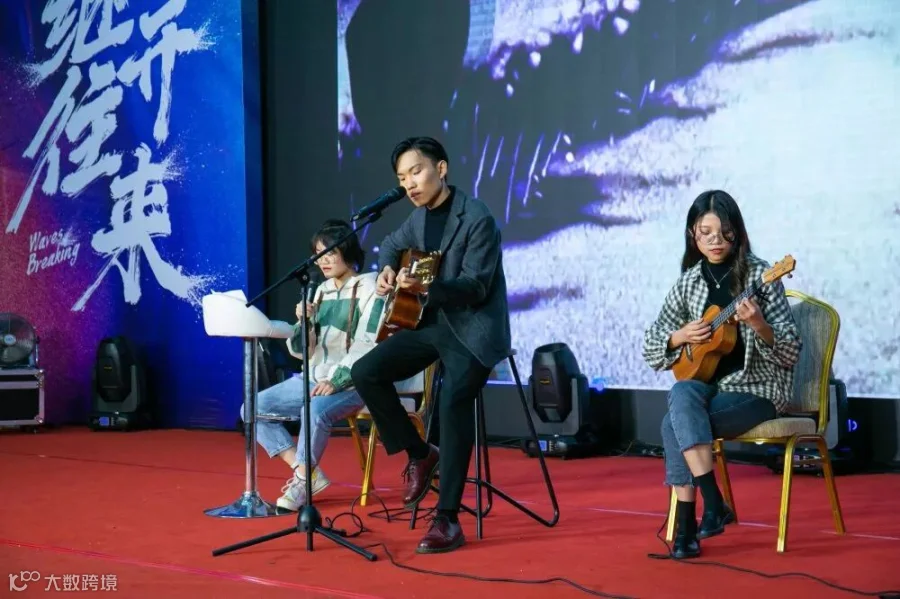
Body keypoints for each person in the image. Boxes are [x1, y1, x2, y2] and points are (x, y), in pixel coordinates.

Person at [351, 136, 511, 554]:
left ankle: (447, 518)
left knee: (452, 400)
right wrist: (387, 269)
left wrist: (424, 287)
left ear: (441, 169)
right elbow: (391, 244)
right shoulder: (418, 218)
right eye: (402, 177)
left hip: (473, 330)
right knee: (365, 372)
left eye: (416, 172)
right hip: (432, 325)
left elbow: (476, 287)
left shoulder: (476, 217)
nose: (409, 184)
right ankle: (421, 453)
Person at [642, 190, 802, 559]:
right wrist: (679, 336)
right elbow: (651, 345)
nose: (716, 241)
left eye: (724, 232)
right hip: (708, 391)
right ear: (693, 236)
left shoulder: (762, 275)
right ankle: (712, 504)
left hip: (758, 391)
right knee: (682, 393)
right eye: (705, 233)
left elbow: (791, 353)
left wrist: (759, 325)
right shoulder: (689, 282)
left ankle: (688, 529)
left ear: (737, 232)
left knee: (673, 424)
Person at [241, 220, 386, 512]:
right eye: (319, 254)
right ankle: (307, 473)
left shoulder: (371, 286)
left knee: (314, 408)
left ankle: (302, 483)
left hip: (355, 381)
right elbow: (302, 351)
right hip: (313, 378)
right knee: (252, 408)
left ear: (348, 251)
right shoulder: (319, 291)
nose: (324, 260)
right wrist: (304, 323)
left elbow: (368, 342)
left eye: (331, 252)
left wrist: (338, 380)